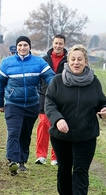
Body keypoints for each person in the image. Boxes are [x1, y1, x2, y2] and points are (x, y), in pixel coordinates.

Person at [45, 44, 106, 195]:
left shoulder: (93, 81)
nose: (76, 62)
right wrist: (58, 119)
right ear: (68, 61)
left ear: (86, 62)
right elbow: (49, 103)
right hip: (61, 135)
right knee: (64, 168)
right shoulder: (58, 81)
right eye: (73, 59)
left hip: (86, 135)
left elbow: (102, 103)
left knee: (81, 170)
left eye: (80, 59)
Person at [0, 36, 56, 176]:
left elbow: (50, 77)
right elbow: (0, 85)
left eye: (25, 45)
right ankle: (13, 161)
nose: (22, 48)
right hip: (13, 104)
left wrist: (57, 89)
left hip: (32, 105)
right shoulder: (7, 63)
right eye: (20, 45)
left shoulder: (38, 62)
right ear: (16, 47)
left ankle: (22, 161)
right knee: (14, 132)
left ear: (29, 47)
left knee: (25, 134)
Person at [35, 34, 68, 166]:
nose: (58, 46)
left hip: (62, 97)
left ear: (64, 45)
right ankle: (41, 155)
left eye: (60, 43)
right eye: (56, 43)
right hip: (44, 95)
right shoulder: (43, 60)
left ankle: (56, 157)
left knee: (58, 125)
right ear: (52, 44)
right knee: (43, 124)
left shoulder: (68, 61)